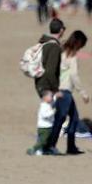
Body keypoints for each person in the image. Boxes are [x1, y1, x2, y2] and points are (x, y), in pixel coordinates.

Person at [50, 30, 88, 155]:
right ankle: (51, 145)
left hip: (60, 90)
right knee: (60, 119)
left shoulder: (61, 52)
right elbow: (74, 75)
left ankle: (71, 146)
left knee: (74, 118)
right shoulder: (72, 56)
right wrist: (82, 92)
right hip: (65, 91)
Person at [33, 18, 65, 152]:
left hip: (40, 82)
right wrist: (55, 90)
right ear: (61, 30)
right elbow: (51, 70)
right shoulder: (54, 47)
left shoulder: (44, 43)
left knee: (48, 116)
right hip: (46, 85)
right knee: (46, 116)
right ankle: (40, 147)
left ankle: (46, 146)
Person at [28, 89, 55, 155]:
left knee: (49, 140)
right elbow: (45, 115)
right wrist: (53, 111)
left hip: (49, 126)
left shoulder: (49, 105)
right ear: (45, 97)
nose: (52, 98)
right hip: (43, 128)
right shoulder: (43, 106)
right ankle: (33, 149)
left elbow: (55, 99)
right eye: (50, 96)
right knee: (43, 140)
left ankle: (46, 150)